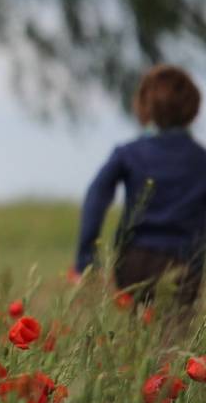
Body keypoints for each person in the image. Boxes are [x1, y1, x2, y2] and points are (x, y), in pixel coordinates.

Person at [74, 64, 206, 310]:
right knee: (175, 338)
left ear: (144, 106)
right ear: (193, 109)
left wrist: (86, 260)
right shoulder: (201, 160)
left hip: (134, 260)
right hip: (184, 261)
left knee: (138, 330)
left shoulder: (128, 154)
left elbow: (95, 199)